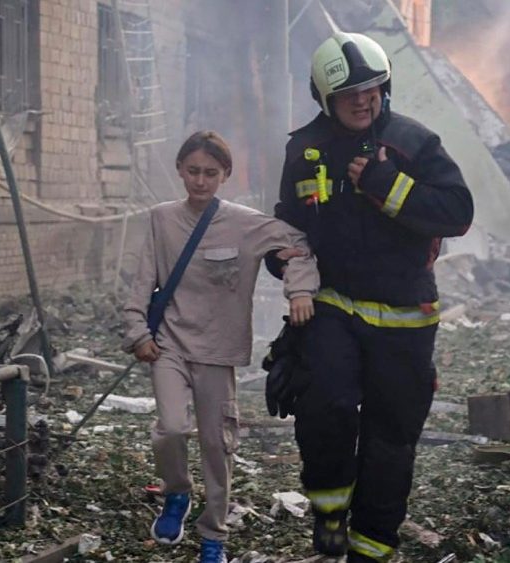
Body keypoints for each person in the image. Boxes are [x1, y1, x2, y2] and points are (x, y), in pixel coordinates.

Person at [264, 32, 474, 562]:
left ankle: (373, 544)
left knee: (391, 436)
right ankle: (330, 512)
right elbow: (288, 225)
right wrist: (279, 258)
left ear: (386, 88)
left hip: (405, 315)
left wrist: (386, 183)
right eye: (349, 93)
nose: (363, 100)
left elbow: (457, 212)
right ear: (325, 98)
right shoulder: (304, 147)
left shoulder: (414, 143)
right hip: (334, 304)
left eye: (372, 88)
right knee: (326, 405)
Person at [122, 131, 319, 563]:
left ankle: (214, 535)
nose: (200, 181)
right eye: (193, 171)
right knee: (171, 428)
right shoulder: (160, 218)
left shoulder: (245, 222)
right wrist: (137, 331)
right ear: (179, 170)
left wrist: (299, 291)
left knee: (217, 444)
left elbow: (299, 246)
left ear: (225, 175)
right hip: (168, 345)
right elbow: (141, 281)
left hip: (217, 350)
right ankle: (176, 494)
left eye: (210, 172)